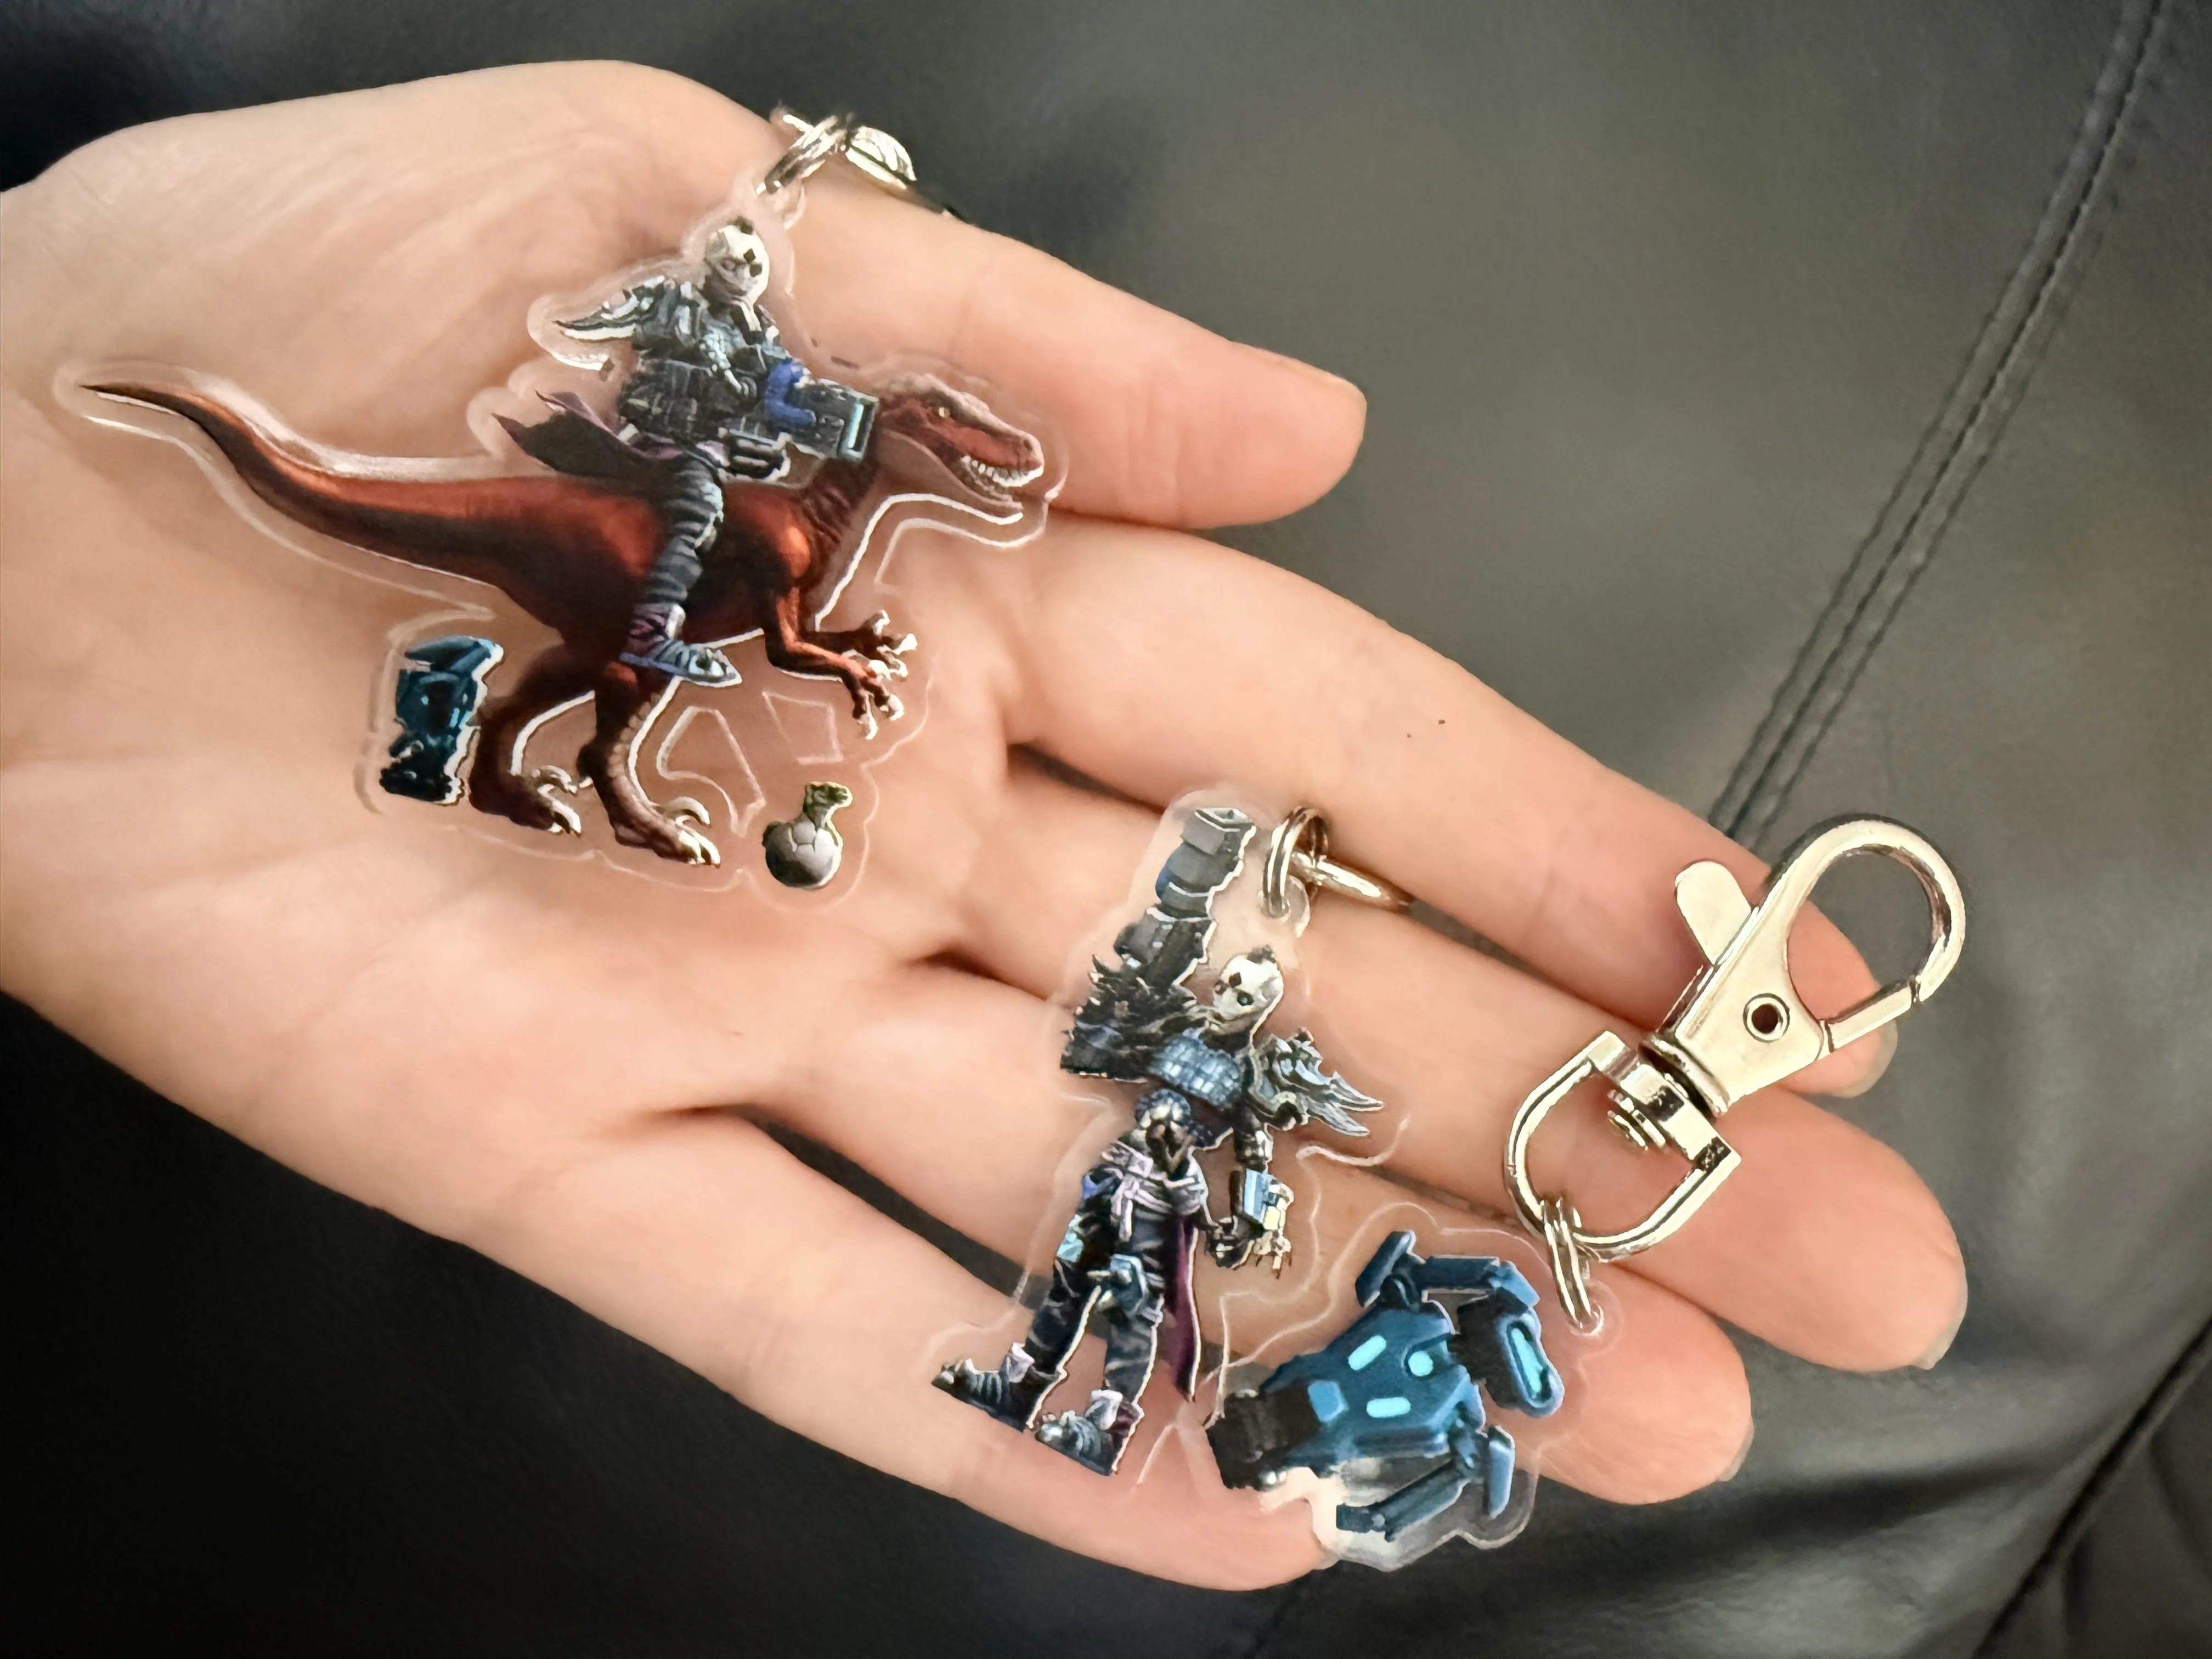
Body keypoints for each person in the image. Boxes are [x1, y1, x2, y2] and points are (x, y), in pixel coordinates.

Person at [0, 64, 1952, 1595]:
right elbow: (662, 366)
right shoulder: (672, 343)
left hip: (1163, 1148)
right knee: (690, 557)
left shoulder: (801, 410)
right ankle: (643, 679)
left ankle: (611, 746)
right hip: (648, 499)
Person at [556, 218, 823, 685]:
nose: (742, 274)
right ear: (712, 261)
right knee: (700, 511)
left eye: (752, 266)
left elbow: (782, 388)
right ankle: (649, 634)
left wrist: (801, 406)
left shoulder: (758, 331)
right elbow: (603, 322)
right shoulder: (671, 301)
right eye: (733, 263)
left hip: (721, 450)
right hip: (662, 438)